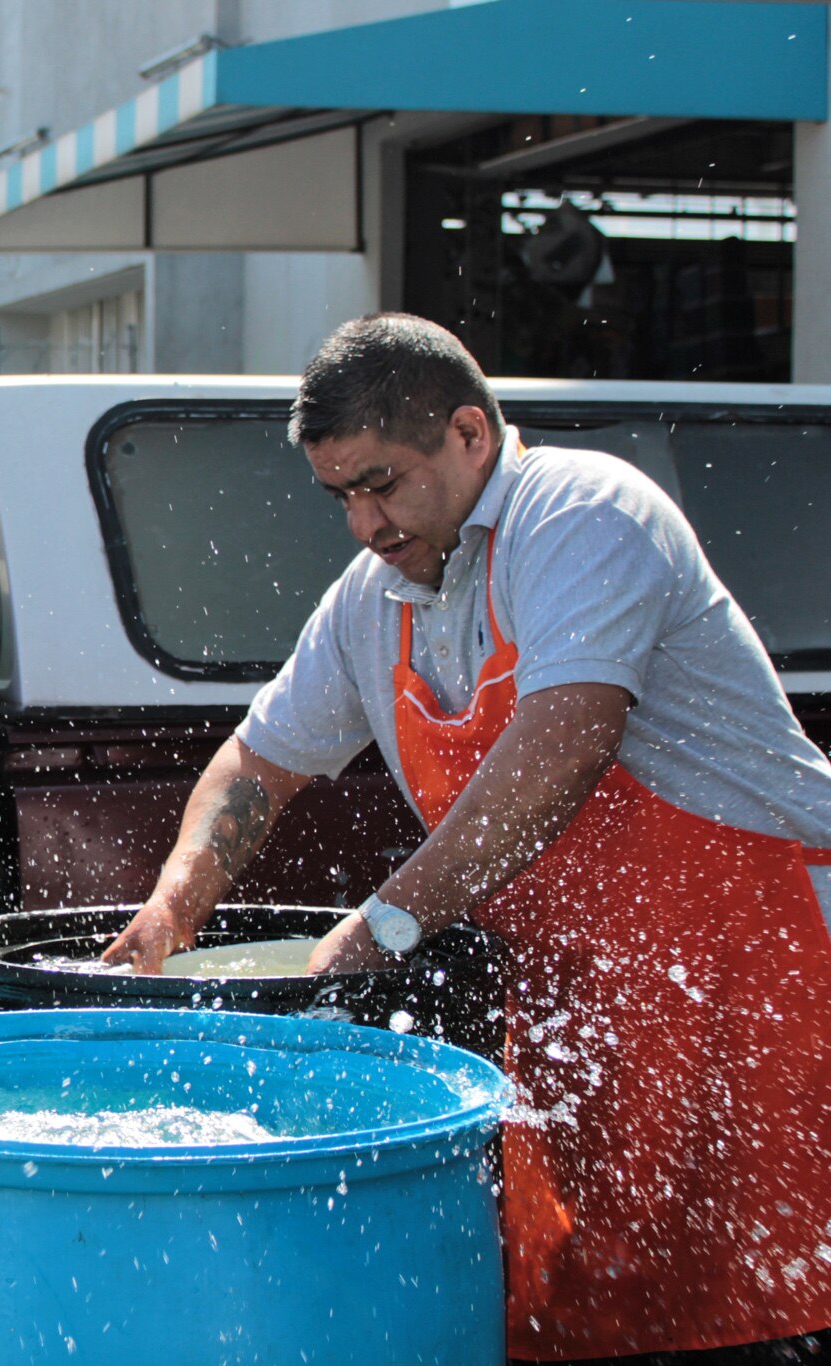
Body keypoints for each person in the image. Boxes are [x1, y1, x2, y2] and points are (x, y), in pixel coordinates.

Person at [103, 313, 831, 1363]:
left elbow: (564, 741)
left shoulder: (583, 513)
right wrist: (176, 904)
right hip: (580, 1004)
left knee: (765, 1318)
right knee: (592, 1313)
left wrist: (385, 921)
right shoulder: (371, 601)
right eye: (340, 495)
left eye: (383, 483)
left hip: (753, 983)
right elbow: (254, 764)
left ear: (468, 435)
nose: (363, 522)